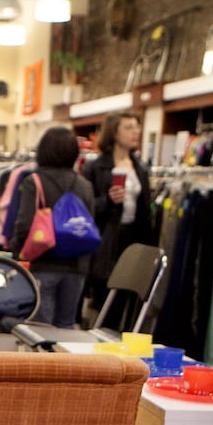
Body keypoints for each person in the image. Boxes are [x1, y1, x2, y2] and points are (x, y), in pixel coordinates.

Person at [10, 126, 96, 327]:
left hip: (43, 263)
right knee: (66, 327)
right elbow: (91, 225)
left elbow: (24, 225)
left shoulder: (35, 181)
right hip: (77, 267)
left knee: (40, 330)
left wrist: (17, 253)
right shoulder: (85, 185)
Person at [81, 112, 153, 303]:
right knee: (104, 295)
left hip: (132, 238)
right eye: (128, 127)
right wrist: (108, 200)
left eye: (137, 127)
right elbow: (84, 209)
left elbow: (144, 209)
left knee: (126, 295)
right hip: (105, 239)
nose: (135, 132)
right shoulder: (95, 167)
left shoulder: (140, 168)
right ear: (114, 133)